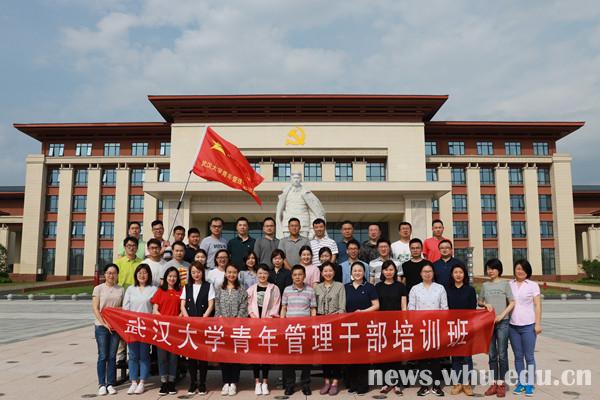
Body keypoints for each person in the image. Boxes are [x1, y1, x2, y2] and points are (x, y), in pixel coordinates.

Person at [408, 262, 448, 397]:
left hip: (436, 327)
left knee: (436, 358)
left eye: (430, 271)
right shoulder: (415, 289)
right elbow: (411, 309)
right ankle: (424, 386)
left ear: (433, 273)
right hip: (421, 328)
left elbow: (444, 309)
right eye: (425, 271)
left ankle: (436, 385)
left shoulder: (440, 288)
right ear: (420, 273)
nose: (427, 274)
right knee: (423, 358)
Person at [479, 258, 515, 398]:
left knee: (502, 354)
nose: (490, 271)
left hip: (503, 323)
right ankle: (493, 383)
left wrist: (502, 315)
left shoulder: (505, 284)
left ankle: (501, 384)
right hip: (488, 324)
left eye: (493, 268)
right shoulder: (485, 285)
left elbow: (512, 302)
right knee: (492, 355)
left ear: (499, 270)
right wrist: (484, 304)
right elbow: (480, 301)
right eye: (488, 268)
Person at [281, 265, 317, 396]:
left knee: (306, 358)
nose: (297, 277)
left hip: (305, 330)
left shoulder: (310, 290)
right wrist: (281, 324)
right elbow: (284, 308)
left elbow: (313, 309)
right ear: (292, 276)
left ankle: (305, 384)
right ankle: (290, 385)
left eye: (300, 274)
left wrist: (312, 325)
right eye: (295, 275)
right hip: (290, 330)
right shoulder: (287, 290)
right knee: (288, 359)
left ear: (304, 276)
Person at [180, 262, 215, 395]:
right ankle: (193, 382)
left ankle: (202, 383)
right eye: (193, 272)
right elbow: (182, 305)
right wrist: (187, 318)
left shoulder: (208, 286)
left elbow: (211, 305)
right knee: (191, 356)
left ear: (203, 273)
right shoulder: (187, 287)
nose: (196, 274)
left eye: (198, 272)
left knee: (203, 356)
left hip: (203, 325)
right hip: (190, 326)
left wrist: (203, 318)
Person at [345, 261, 379, 395]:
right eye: (355, 271)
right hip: (348, 328)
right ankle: (352, 384)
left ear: (364, 272)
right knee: (350, 356)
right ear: (351, 273)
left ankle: (363, 385)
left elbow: (376, 305)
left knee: (363, 356)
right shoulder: (346, 287)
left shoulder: (369, 287)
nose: (357, 273)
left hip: (365, 325)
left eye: (360, 270)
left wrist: (362, 312)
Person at [509, 259, 542, 397]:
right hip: (513, 326)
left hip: (528, 325)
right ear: (514, 270)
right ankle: (521, 383)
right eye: (518, 268)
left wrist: (538, 324)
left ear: (527, 271)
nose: (520, 271)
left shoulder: (533, 285)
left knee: (529, 356)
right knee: (518, 356)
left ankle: (530, 384)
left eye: (523, 269)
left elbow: (538, 305)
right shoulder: (509, 284)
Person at [247, 264, 281, 395]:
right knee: (255, 355)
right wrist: (253, 316)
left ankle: (265, 382)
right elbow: (248, 305)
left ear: (268, 274)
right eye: (260, 273)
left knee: (266, 354)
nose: (262, 276)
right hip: (254, 325)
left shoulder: (274, 288)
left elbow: (276, 305)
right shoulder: (251, 289)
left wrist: (269, 318)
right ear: (257, 274)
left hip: (268, 325)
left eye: (265, 273)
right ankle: (257, 382)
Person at [123, 264, 157, 395]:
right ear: (136, 275)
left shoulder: (153, 289)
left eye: (145, 273)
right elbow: (125, 308)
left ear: (149, 275)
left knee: (144, 354)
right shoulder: (131, 289)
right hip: (132, 326)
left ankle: (142, 381)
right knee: (132, 355)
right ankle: (133, 381)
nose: (142, 275)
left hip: (146, 327)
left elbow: (155, 309)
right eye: (140, 273)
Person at [215, 264, 248, 396]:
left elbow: (243, 307)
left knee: (235, 354)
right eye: (229, 272)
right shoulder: (219, 289)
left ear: (237, 274)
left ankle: (233, 382)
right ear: (225, 274)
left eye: (234, 272)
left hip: (236, 327)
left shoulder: (241, 289)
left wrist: (237, 320)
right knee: (224, 354)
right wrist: (220, 319)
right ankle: (225, 382)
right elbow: (217, 305)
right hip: (223, 327)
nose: (231, 275)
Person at [376, 260, 408, 395]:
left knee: (397, 354)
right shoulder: (378, 286)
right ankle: (385, 382)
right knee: (384, 354)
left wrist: (405, 322)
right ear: (382, 271)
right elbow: (376, 306)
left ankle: (397, 383)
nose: (388, 272)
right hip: (382, 325)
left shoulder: (400, 286)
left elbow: (404, 306)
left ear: (395, 271)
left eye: (391, 269)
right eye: (386, 269)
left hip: (397, 324)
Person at [92, 263, 124, 396]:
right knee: (103, 355)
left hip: (115, 327)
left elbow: (123, 308)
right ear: (105, 274)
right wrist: (103, 323)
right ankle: (101, 384)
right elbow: (95, 308)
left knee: (112, 356)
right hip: (101, 327)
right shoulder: (98, 288)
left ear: (117, 275)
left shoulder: (121, 289)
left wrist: (115, 315)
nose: (111, 275)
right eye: (109, 273)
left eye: (114, 273)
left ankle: (110, 383)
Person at [314, 261, 346, 396]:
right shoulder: (317, 287)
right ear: (321, 273)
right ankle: (326, 381)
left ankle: (335, 382)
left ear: (334, 272)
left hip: (335, 323)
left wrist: (334, 318)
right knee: (324, 355)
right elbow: (314, 306)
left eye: (330, 271)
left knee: (336, 354)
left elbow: (342, 308)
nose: (328, 273)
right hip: (321, 324)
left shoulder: (340, 286)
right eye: (325, 271)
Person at [446, 264, 477, 396]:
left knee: (467, 357)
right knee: (455, 357)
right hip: (452, 327)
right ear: (452, 275)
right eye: (455, 272)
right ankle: (457, 383)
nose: (458, 275)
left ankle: (466, 383)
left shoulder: (470, 290)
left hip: (466, 326)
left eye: (461, 272)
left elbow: (473, 309)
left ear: (464, 275)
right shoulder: (447, 290)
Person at [151, 267, 183, 395]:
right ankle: (164, 382)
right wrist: (163, 319)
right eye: (170, 276)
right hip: (162, 329)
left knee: (173, 357)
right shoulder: (160, 291)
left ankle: (172, 382)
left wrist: (176, 319)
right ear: (165, 278)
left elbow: (182, 309)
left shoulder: (180, 291)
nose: (172, 278)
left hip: (175, 329)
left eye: (174, 276)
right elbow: (155, 309)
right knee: (162, 356)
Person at [275, 172, 326, 239]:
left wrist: (312, 231)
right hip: (287, 226)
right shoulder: (285, 193)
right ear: (291, 180)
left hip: (303, 226)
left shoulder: (306, 193)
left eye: (298, 178)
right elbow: (280, 211)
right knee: (287, 244)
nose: (296, 180)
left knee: (304, 245)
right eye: (294, 178)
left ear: (301, 179)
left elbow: (313, 212)